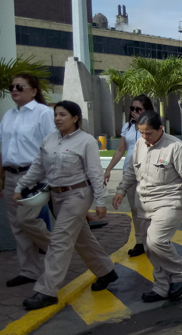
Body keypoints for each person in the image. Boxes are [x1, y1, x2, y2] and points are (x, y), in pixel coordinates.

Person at [13, 101, 117, 310]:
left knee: (60, 241)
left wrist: (100, 201)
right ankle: (106, 271)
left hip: (78, 195)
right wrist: (21, 186)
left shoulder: (86, 141)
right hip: (56, 196)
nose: (57, 119)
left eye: (63, 115)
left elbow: (95, 173)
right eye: (56, 115)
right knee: (81, 237)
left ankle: (47, 291)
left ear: (75, 118)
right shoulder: (49, 139)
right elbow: (37, 167)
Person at [113, 111, 182, 302]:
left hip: (169, 202)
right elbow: (131, 171)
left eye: (149, 133)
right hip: (144, 203)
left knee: (156, 241)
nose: (145, 137)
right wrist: (121, 190)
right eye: (142, 133)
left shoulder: (175, 147)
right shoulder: (140, 144)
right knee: (149, 248)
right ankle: (161, 286)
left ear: (160, 129)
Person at [0, 74, 54, 287]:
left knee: (25, 220)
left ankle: (57, 249)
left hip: (33, 176)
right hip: (11, 176)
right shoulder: (9, 115)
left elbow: (51, 147)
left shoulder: (43, 113)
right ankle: (29, 270)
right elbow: (5, 150)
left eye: (19, 86)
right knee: (17, 226)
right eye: (11, 86)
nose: (14, 90)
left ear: (33, 91)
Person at [103, 94, 154, 257]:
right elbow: (120, 149)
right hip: (130, 172)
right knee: (135, 208)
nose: (134, 112)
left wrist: (143, 123)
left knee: (147, 207)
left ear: (146, 110)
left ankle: (152, 240)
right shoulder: (128, 127)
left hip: (148, 173)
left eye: (138, 109)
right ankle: (140, 241)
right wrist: (109, 169)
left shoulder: (153, 126)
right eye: (132, 108)